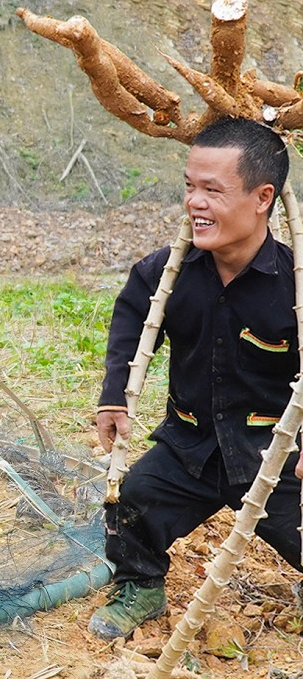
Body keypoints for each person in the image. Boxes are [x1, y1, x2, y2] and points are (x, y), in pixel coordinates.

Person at [90, 117, 301, 640]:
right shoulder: (166, 274)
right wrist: (114, 394)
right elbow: (131, 321)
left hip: (274, 456)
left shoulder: (294, 286)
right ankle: (140, 586)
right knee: (131, 501)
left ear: (262, 198)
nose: (195, 202)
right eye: (190, 187)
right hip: (191, 446)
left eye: (213, 189)